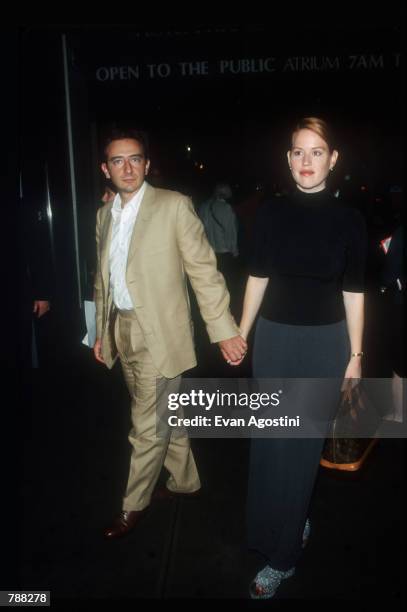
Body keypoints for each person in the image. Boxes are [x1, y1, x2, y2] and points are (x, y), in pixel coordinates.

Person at [93, 127, 247, 539]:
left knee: (146, 424)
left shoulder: (174, 206)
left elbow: (204, 272)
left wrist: (224, 331)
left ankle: (133, 505)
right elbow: (103, 279)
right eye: (117, 161)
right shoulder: (104, 214)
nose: (127, 168)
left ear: (146, 163)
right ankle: (185, 482)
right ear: (105, 168)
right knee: (166, 411)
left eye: (135, 159)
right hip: (122, 328)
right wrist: (100, 332)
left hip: (161, 333)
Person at [237, 117, 367, 598]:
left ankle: (284, 558)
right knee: (270, 443)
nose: (306, 161)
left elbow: (355, 291)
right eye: (298, 151)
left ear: (333, 159)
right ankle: (284, 524)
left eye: (317, 152)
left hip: (324, 345)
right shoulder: (270, 213)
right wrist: (241, 333)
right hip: (273, 340)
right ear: (287, 158)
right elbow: (257, 276)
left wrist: (355, 355)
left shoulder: (350, 219)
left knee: (299, 450)